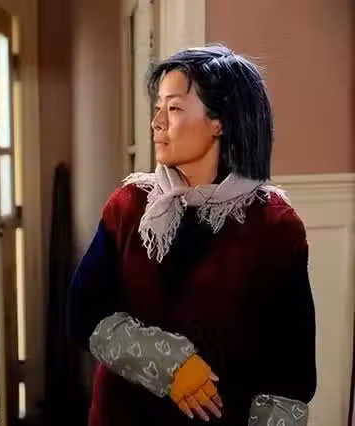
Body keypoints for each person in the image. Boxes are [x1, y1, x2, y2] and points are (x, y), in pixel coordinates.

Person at [68, 46, 316, 425]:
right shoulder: (129, 206)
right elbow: (83, 313)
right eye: (158, 108)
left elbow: (290, 376)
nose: (157, 122)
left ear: (220, 122)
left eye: (174, 108)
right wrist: (170, 364)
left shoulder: (275, 227)